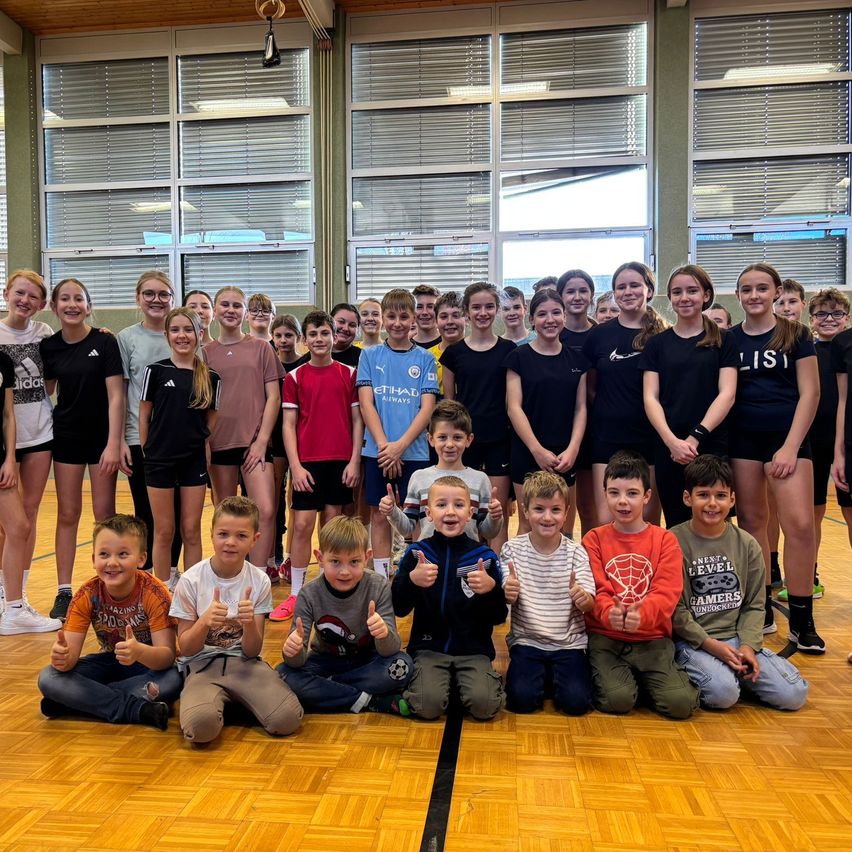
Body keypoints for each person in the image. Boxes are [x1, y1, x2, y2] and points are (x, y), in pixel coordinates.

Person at [729, 263, 821, 652]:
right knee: (753, 525)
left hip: (789, 440)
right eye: (746, 289)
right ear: (737, 296)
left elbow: (810, 393)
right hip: (743, 440)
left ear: (776, 291)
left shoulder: (796, 334)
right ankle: (760, 609)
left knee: (799, 525)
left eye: (762, 288)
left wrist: (789, 445)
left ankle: (802, 619)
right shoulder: (729, 339)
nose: (754, 295)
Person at [671, 456, 808, 711]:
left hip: (737, 640)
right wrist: (713, 647)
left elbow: (755, 606)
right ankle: (724, 677)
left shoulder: (747, 545)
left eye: (721, 496)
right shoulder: (673, 542)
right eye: (703, 495)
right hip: (696, 643)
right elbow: (676, 612)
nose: (712, 503)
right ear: (687, 498)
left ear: (732, 500)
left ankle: (737, 673)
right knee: (723, 695)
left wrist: (747, 647)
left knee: (794, 695)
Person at [169, 496, 303, 744]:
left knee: (287, 719)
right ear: (211, 535)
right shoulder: (190, 581)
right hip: (201, 666)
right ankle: (223, 702)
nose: (231, 542)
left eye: (241, 536)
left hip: (244, 664)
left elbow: (252, 650)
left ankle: (233, 699)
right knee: (200, 728)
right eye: (223, 534)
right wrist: (204, 622)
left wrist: (250, 622)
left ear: (255, 539)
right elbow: (186, 648)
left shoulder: (259, 580)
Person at [582, 451, 698, 719]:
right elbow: (596, 588)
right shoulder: (593, 539)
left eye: (632, 493)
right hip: (606, 637)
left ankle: (646, 683)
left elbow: (667, 593)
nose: (623, 501)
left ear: (646, 496)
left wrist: (641, 615)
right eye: (614, 493)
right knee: (617, 701)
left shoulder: (665, 540)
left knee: (680, 704)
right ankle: (628, 684)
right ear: (605, 494)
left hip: (652, 639)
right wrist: (608, 611)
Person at [37, 514, 182, 729]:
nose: (112, 562)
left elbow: (166, 656)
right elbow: (69, 657)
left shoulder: (156, 592)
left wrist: (139, 651)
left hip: (149, 666)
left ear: (141, 559)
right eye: (104, 554)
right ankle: (137, 709)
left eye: (123, 554)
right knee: (49, 677)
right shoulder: (87, 594)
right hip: (110, 661)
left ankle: (79, 701)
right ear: (94, 559)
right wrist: (62, 657)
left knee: (175, 679)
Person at [41, 278, 127, 618]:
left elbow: (116, 395)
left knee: (103, 515)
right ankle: (64, 591)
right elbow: (45, 390)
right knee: (67, 513)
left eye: (79, 298)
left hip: (101, 440)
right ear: (54, 306)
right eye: (65, 299)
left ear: (88, 306)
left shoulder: (105, 342)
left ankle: (107, 588)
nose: (72, 304)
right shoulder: (48, 347)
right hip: (67, 437)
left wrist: (113, 443)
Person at [272, 310, 363, 622]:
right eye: (313, 334)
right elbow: (288, 424)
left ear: (333, 336)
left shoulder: (349, 374)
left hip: (339, 461)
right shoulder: (295, 377)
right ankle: (297, 592)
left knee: (331, 527)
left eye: (325, 333)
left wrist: (353, 460)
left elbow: (356, 419)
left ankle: (328, 589)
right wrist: (295, 467)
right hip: (307, 463)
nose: (320, 339)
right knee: (301, 526)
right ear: (305, 339)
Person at [392, 476, 507, 720]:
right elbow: (399, 608)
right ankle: (442, 685)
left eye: (459, 505)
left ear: (471, 513)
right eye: (442, 504)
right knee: (426, 707)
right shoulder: (417, 553)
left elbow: (499, 616)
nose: (450, 512)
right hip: (428, 648)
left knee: (485, 706)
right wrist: (411, 581)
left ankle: (460, 684)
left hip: (473, 650)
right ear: (428, 512)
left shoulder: (484, 557)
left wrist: (490, 589)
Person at [277, 515, 414, 714]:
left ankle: (330, 689)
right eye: (335, 561)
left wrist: (383, 634)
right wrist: (292, 650)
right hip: (325, 661)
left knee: (402, 665)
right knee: (283, 674)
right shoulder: (308, 594)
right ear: (320, 558)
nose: (345, 572)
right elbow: (295, 662)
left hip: (368, 661)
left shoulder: (379, 586)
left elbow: (390, 650)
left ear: (367, 557)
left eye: (354, 562)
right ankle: (369, 700)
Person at [641, 265, 738, 526]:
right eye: (677, 292)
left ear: (706, 295)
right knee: (676, 519)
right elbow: (650, 397)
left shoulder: (724, 340)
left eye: (692, 291)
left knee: (714, 519)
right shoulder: (657, 344)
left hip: (710, 443)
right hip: (669, 447)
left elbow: (727, 393)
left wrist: (696, 437)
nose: (684, 297)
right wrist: (672, 441)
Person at [357, 288, 439, 580]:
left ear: (413, 318)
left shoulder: (425, 358)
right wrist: (384, 446)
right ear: (383, 319)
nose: (397, 323)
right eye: (391, 316)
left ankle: (415, 574)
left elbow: (426, 407)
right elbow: (367, 403)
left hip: (414, 452)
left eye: (404, 316)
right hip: (377, 452)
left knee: (415, 517)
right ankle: (381, 577)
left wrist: (400, 447)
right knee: (380, 515)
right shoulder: (369, 356)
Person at [500, 471, 595, 715]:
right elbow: (505, 592)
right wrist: (507, 592)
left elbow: (588, 603)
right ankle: (543, 676)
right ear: (525, 510)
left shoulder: (576, 552)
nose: (547, 517)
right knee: (520, 701)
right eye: (539, 509)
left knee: (576, 703)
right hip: (527, 641)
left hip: (569, 644)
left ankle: (552, 676)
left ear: (566, 513)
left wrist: (583, 598)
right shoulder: (511, 550)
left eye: (555, 510)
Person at [139, 308, 220, 589]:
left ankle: (191, 590)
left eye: (188, 330)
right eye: (175, 330)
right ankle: (161, 590)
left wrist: (202, 439)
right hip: (159, 460)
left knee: (191, 530)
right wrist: (148, 450)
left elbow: (211, 415)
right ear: (167, 335)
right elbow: (144, 413)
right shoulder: (156, 371)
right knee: (164, 530)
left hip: (193, 461)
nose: (181, 336)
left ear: (198, 334)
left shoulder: (210, 376)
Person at [582, 261, 667, 525]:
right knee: (607, 520)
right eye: (621, 287)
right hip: (607, 436)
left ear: (649, 290)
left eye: (634, 285)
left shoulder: (664, 336)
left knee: (647, 520)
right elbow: (591, 387)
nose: (627, 292)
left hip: (650, 438)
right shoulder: (599, 335)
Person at [204, 286, 280, 570]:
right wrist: (206, 444)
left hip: (254, 446)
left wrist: (261, 441)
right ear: (215, 310)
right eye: (225, 304)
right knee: (226, 517)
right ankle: (231, 574)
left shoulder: (261, 349)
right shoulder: (204, 353)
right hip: (219, 444)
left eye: (237, 305)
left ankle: (258, 576)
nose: (231, 310)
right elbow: (202, 403)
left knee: (265, 509)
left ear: (244, 312)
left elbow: (273, 396)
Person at [782, 288, 851, 602]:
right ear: (811, 318)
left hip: (841, 445)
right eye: (822, 314)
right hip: (810, 442)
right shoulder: (806, 349)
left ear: (846, 318)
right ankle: (808, 573)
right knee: (812, 514)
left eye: (836, 314)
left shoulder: (846, 351)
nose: (829, 320)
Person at [505, 289, 588, 535]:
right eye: (542, 314)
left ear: (564, 316)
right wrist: (536, 450)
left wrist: (573, 449)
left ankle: (561, 575)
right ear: (532, 320)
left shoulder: (578, 359)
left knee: (563, 527)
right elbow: (514, 407)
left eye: (555, 313)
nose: (549, 319)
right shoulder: (517, 357)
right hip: (528, 451)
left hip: (565, 454)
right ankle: (520, 575)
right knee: (527, 524)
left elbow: (581, 408)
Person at [441, 282, 516, 551]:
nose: (482, 313)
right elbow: (450, 405)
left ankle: (497, 574)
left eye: (488, 307)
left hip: (499, 439)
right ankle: (465, 567)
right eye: (476, 307)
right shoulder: (453, 354)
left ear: (496, 310)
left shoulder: (510, 350)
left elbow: (512, 401)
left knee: (497, 510)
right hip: (465, 442)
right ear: (466, 311)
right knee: (464, 509)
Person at [0, 270, 56, 617]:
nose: (25, 301)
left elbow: (51, 383)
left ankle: (18, 591)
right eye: (20, 293)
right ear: (7, 293)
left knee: (30, 514)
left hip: (39, 433)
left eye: (33, 296)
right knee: (8, 520)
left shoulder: (44, 334)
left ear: (42, 304)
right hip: (5, 438)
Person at [118, 271, 181, 573]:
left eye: (163, 294)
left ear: (172, 298)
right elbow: (119, 393)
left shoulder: (183, 334)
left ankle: (169, 576)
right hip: (139, 440)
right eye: (149, 294)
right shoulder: (127, 338)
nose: (157, 300)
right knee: (147, 513)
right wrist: (120, 441)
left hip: (178, 440)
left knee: (178, 516)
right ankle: (148, 578)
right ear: (138, 298)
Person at [379, 400, 502, 542]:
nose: (449, 444)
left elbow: (488, 532)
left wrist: (495, 516)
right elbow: (407, 528)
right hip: (429, 560)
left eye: (457, 437)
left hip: (467, 561)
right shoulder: (419, 478)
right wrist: (392, 511)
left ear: (469, 440)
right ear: (431, 439)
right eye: (442, 437)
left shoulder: (480, 480)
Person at [556, 269, 597, 537]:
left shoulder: (602, 334)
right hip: (561, 430)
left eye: (583, 291)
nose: (577, 296)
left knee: (590, 505)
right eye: (570, 291)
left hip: (598, 428)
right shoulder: (553, 335)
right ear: (561, 297)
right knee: (563, 506)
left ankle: (592, 564)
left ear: (591, 295)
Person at [270, 314, 303, 572]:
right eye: (279, 335)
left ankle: (291, 555)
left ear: (298, 338)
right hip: (275, 439)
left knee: (296, 497)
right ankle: (273, 552)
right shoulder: (269, 364)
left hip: (300, 438)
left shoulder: (304, 365)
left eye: (288, 335)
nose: (283, 340)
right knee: (274, 496)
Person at [428, 291, 466, 396]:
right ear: (436, 321)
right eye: (443, 317)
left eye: (456, 315)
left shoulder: (476, 353)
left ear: (467, 319)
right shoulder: (426, 357)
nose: (450, 321)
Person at [330, 303, 362, 367]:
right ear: (329, 322)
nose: (346, 328)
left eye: (352, 325)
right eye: (341, 322)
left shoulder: (364, 358)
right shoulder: (311, 359)